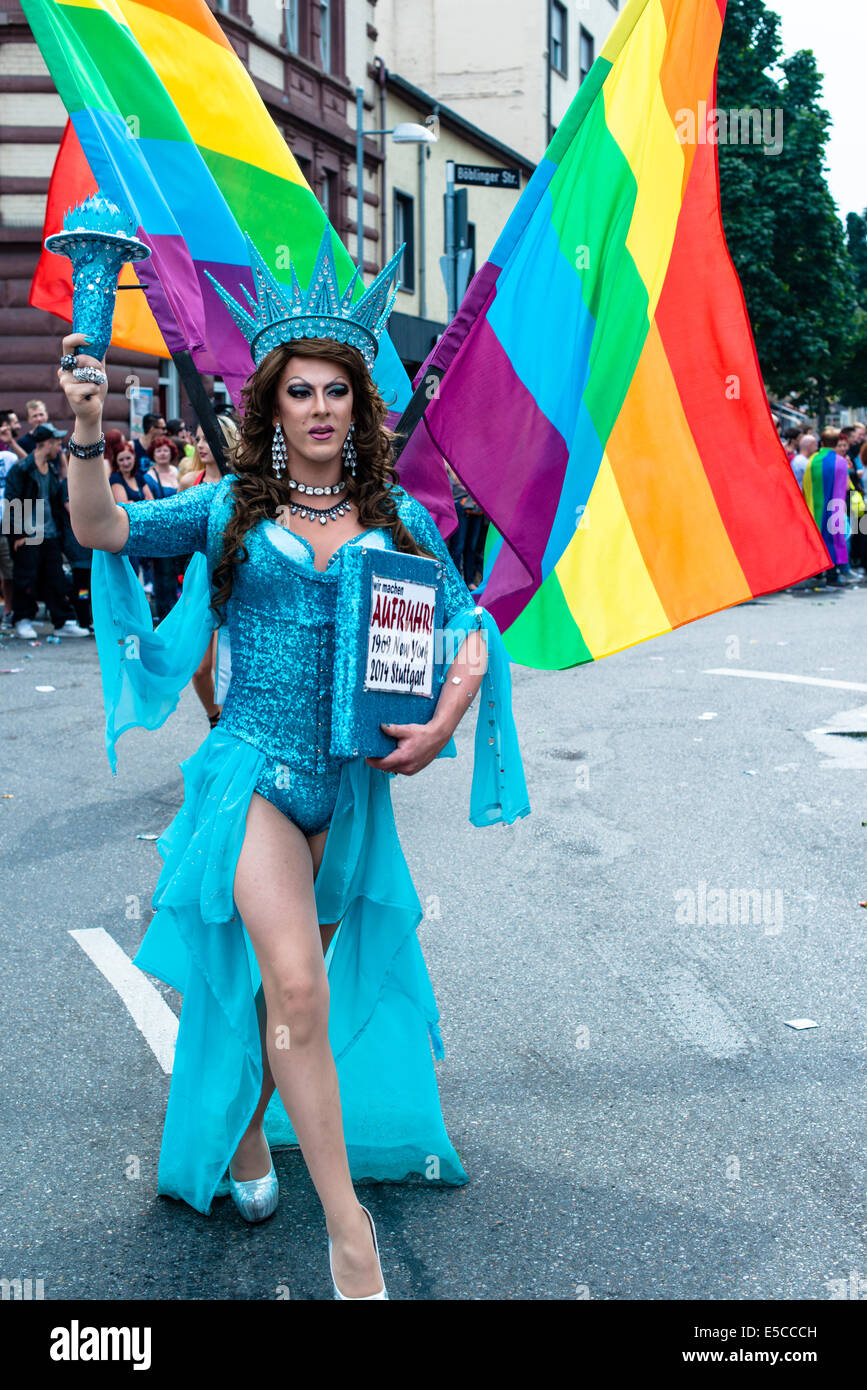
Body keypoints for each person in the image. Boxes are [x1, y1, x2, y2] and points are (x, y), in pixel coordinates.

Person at [61, 229, 529, 1300]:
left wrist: (442, 720)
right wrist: (89, 429)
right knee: (298, 985)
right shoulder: (230, 507)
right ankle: (349, 1237)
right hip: (255, 780)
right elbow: (104, 528)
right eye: (300, 392)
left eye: (337, 392)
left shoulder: (399, 518)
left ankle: (244, 1127)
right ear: (273, 407)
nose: (319, 409)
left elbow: (471, 631)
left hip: (353, 793)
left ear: (358, 407)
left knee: (287, 1011)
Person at [3, 423, 91, 639]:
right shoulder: (22, 469)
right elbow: (11, 501)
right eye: (57, 443)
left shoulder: (50, 470)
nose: (60, 448)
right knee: (26, 578)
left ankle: (63, 621)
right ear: (47, 444)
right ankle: (23, 619)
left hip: (50, 532)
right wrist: (17, 536)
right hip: (29, 533)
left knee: (56, 579)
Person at [802, 428, 855, 586]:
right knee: (834, 540)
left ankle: (817, 574)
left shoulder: (813, 460)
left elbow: (806, 484)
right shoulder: (840, 462)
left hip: (814, 506)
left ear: (822, 443)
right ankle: (833, 576)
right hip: (835, 507)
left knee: (817, 539)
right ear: (836, 442)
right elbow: (845, 487)